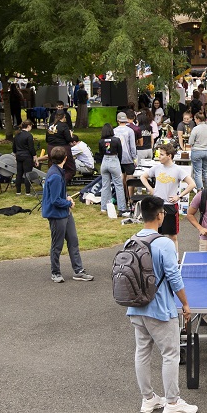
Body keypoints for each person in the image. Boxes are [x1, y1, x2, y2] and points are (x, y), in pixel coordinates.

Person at [126, 196, 198, 413]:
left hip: (136, 307)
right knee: (170, 354)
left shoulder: (130, 241)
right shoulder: (164, 243)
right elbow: (174, 278)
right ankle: (173, 403)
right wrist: (185, 303)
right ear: (159, 215)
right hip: (160, 309)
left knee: (142, 353)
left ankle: (148, 400)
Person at [42, 146, 93, 283]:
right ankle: (55, 272)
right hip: (57, 214)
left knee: (73, 240)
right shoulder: (55, 175)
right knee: (57, 245)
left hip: (64, 213)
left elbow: (59, 194)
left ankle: (78, 271)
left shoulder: (57, 172)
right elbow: (55, 200)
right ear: (66, 158)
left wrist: (67, 197)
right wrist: (68, 203)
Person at [140, 143, 196, 244]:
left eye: (161, 154)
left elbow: (192, 184)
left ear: (169, 156)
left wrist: (179, 196)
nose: (159, 157)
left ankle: (175, 259)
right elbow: (143, 177)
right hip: (157, 206)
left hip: (170, 206)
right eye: (159, 154)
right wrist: (150, 189)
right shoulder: (157, 168)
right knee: (156, 235)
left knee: (173, 236)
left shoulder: (178, 170)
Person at [98, 123, 128, 217]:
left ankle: (103, 207)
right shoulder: (116, 140)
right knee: (118, 185)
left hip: (104, 161)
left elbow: (101, 152)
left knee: (105, 185)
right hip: (114, 160)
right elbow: (120, 152)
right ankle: (122, 208)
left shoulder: (101, 141)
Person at [188, 113, 207, 191]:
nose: (194, 120)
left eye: (195, 119)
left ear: (198, 119)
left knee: (198, 172)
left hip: (197, 151)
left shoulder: (196, 129)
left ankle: (200, 189)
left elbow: (191, 141)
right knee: (206, 170)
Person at [47, 110, 76, 183]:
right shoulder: (64, 125)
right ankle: (61, 182)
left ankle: (52, 181)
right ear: (64, 116)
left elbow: (47, 139)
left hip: (51, 148)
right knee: (70, 169)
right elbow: (68, 139)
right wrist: (71, 135)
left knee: (53, 167)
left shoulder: (50, 125)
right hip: (62, 149)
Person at [13, 120, 40, 196]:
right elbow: (31, 148)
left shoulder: (17, 135)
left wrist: (16, 154)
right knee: (27, 173)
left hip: (19, 155)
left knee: (19, 174)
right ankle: (27, 192)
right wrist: (35, 157)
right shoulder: (29, 135)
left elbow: (14, 147)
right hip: (27, 156)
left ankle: (18, 191)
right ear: (28, 126)